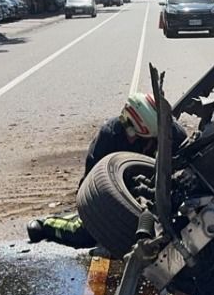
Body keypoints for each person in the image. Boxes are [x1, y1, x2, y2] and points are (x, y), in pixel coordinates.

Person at [27, 92, 186, 247]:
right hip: (121, 193)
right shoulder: (110, 135)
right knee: (86, 234)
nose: (138, 141)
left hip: (161, 191)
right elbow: (91, 186)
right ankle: (46, 225)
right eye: (135, 135)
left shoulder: (173, 134)